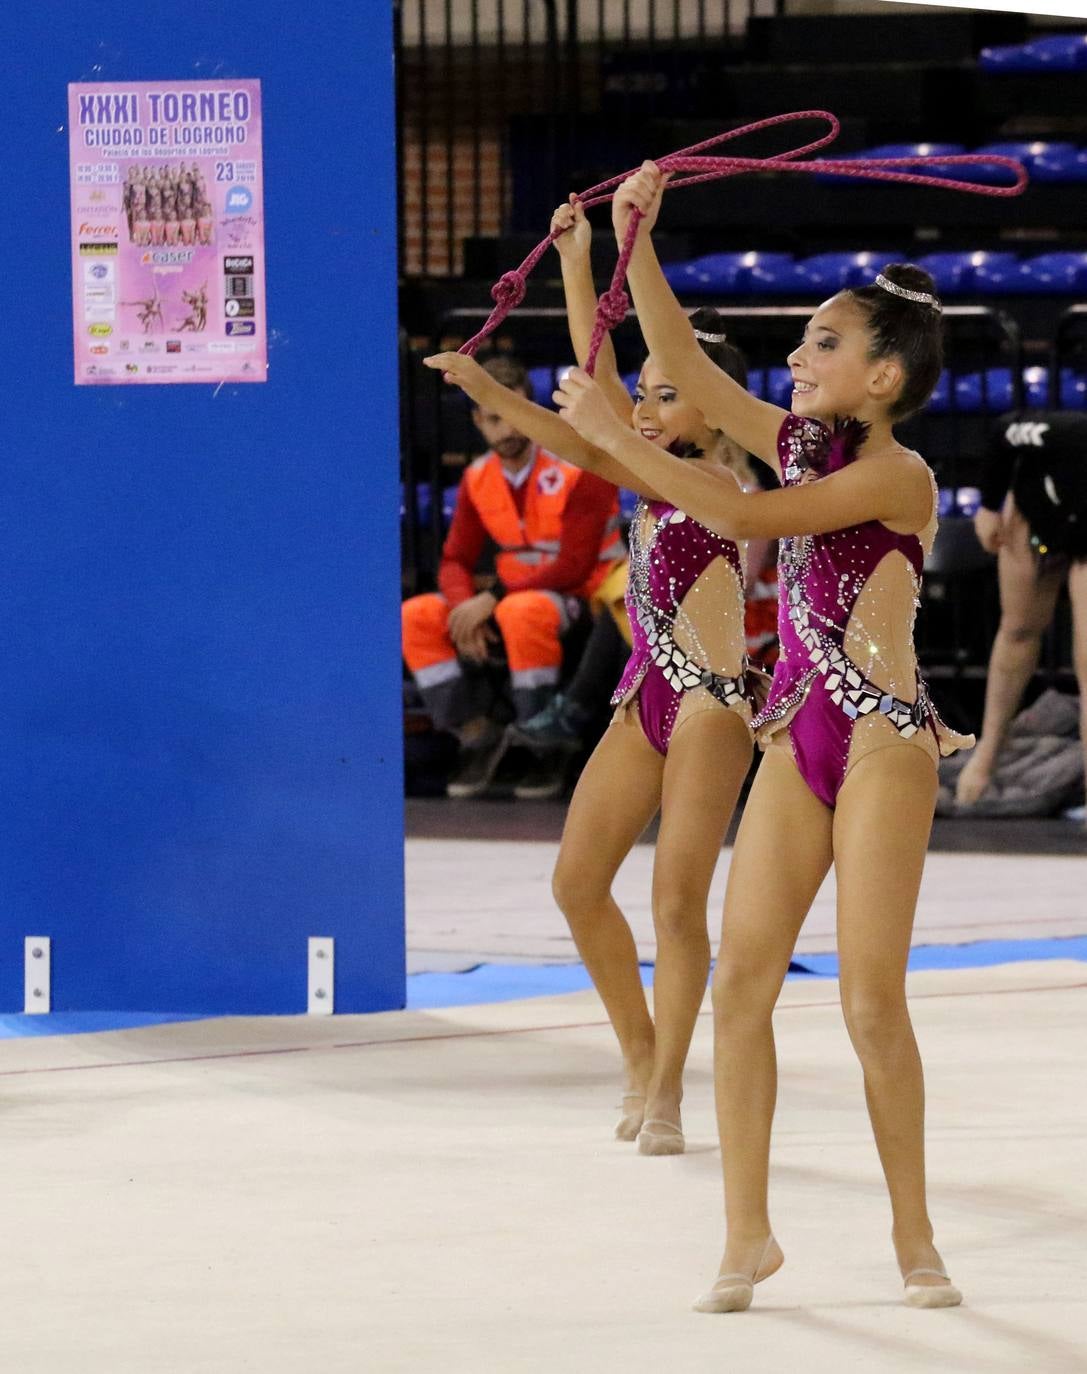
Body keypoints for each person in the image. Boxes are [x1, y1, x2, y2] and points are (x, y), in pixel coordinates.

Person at [549, 161, 971, 1309]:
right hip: (798, 739)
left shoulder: (897, 474)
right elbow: (680, 369)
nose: (796, 359)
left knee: (869, 1000)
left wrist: (604, 434)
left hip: (880, 738)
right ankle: (746, 1237)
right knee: (740, 988)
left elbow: (734, 517)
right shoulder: (800, 441)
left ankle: (915, 1234)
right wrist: (638, 235)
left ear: (881, 376)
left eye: (822, 345)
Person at [425, 196, 767, 1156]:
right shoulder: (649, 463)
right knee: (578, 884)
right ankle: (637, 1054)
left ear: (716, 402)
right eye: (647, 395)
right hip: (643, 697)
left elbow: (596, 417)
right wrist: (578, 262)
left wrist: (599, 289)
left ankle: (665, 1089)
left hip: (709, 706)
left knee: (675, 902)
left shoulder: (719, 489)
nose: (646, 411)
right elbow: (594, 415)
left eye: (669, 395)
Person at [402, 355, 625, 800]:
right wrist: (467, 606)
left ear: (532, 408)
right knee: (417, 614)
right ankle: (474, 733)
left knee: (524, 611)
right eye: (491, 418)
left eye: (512, 413)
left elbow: (574, 565)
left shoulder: (577, 465)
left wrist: (492, 600)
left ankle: (544, 743)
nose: (505, 429)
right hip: (508, 601)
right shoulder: (477, 476)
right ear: (476, 420)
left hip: (584, 597)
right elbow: (454, 562)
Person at [955, 410, 1087, 815]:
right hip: (1035, 515)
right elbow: (1001, 429)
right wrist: (989, 506)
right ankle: (985, 758)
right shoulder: (1066, 434)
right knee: (1017, 631)